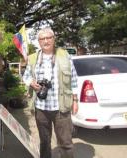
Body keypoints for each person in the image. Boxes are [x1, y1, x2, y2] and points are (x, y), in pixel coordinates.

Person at [22, 27, 78, 158]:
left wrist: (75, 101)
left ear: (54, 39)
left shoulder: (65, 56)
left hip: (61, 108)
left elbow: (74, 80)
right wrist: (31, 82)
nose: (46, 41)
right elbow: (25, 76)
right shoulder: (33, 58)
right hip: (41, 109)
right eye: (42, 39)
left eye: (49, 38)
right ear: (38, 41)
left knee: (65, 143)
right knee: (45, 142)